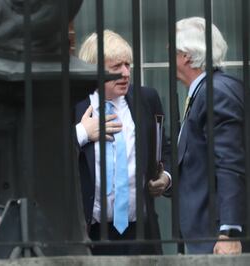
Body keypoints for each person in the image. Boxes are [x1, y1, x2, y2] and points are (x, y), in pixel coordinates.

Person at [174, 17, 250, 254]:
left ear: (186, 56)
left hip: (220, 240)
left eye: (173, 51)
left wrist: (229, 231)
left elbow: (230, 164)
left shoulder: (213, 93)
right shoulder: (228, 87)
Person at [74, 30, 170, 255]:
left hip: (141, 232)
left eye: (128, 65)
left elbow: (165, 150)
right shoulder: (72, 104)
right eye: (116, 67)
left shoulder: (147, 99)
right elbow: (48, 153)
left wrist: (166, 177)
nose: (126, 73)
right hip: (91, 233)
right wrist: (82, 132)